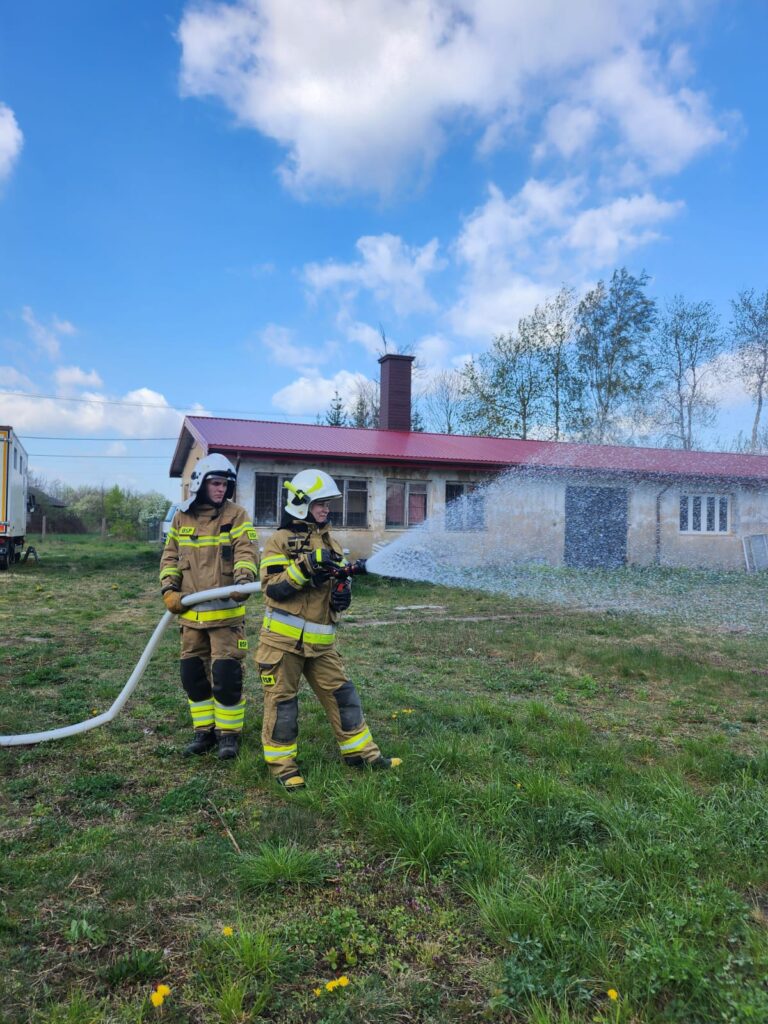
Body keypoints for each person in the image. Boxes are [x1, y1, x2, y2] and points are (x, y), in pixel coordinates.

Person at [256, 468, 401, 790]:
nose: (326, 509)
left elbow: (335, 599)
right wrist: (305, 567)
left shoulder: (333, 544)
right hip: (282, 643)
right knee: (283, 704)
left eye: (328, 503)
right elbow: (273, 589)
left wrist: (341, 594)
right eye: (320, 503)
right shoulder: (278, 542)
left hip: (321, 643)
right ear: (301, 503)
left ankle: (362, 754)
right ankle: (282, 766)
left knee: (343, 697)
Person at [159, 454, 259, 759]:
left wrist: (244, 578)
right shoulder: (181, 517)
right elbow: (170, 557)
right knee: (193, 675)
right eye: (215, 483)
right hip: (190, 617)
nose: (221, 489)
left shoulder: (236, 515)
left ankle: (228, 736)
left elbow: (247, 549)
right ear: (201, 484)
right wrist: (168, 589)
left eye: (225, 484)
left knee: (226, 675)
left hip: (226, 616)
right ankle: (204, 733)